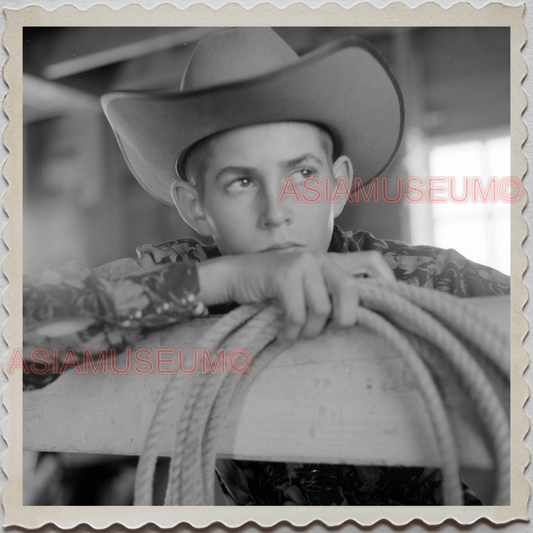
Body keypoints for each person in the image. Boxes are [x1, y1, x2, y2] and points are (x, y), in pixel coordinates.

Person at [23, 28, 510, 505]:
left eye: (302, 173)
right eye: (240, 182)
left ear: (337, 186)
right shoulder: (183, 276)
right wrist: (232, 278)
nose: (277, 211)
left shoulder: (413, 277)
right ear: (196, 207)